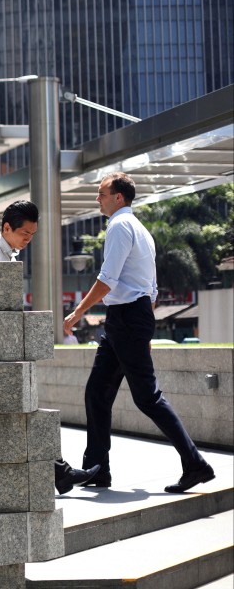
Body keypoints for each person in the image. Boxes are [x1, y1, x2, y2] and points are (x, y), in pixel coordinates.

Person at [64, 172, 214, 493]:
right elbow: (153, 288)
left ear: (119, 197)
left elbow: (108, 279)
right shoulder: (141, 230)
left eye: (102, 193)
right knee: (97, 391)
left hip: (127, 317)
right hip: (129, 317)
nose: (97, 198)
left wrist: (78, 312)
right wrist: (142, 329)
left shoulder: (119, 226)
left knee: (148, 397)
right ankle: (97, 467)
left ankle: (195, 464)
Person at [0, 200, 100, 495]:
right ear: (6, 228)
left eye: (32, 235)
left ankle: (60, 472)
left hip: (2, 355)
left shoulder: (6, 256)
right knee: (28, 415)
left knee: (30, 415)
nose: (28, 241)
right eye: (25, 234)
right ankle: (60, 473)